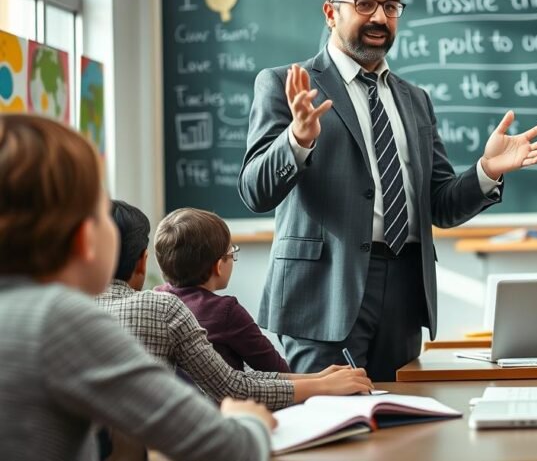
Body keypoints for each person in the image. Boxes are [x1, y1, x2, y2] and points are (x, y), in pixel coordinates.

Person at [239, 0, 537, 380]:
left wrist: (487, 170)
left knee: (407, 424)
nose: (380, 17)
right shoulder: (285, 83)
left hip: (405, 289)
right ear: (331, 12)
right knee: (331, 433)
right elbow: (254, 191)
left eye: (391, 6)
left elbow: (441, 206)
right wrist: (296, 139)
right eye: (366, 3)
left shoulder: (415, 99)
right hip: (324, 292)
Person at [0, 114, 274, 461]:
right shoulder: (59, 320)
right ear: (85, 238)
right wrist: (248, 422)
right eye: (103, 212)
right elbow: (224, 447)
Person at [99, 200, 373, 410]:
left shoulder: (68, 308)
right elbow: (233, 386)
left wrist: (318, 380)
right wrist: (319, 385)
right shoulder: (166, 309)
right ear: (143, 261)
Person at [153, 207, 290, 373]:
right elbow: (277, 370)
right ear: (218, 266)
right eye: (232, 252)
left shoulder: (156, 299)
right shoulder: (226, 313)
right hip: (223, 399)